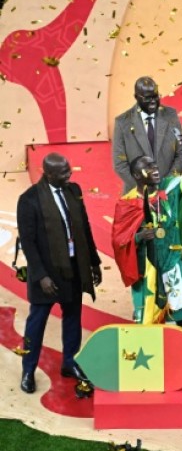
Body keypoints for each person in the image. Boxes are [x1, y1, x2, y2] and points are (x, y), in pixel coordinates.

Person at [17, 153, 102, 393]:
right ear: (49, 174)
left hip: (73, 268)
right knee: (37, 322)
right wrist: (41, 276)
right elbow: (28, 242)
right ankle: (28, 370)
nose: (70, 175)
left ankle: (70, 363)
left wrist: (93, 263)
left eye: (69, 170)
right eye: (63, 173)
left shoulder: (73, 191)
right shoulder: (30, 199)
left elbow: (84, 227)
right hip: (46, 275)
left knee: (73, 317)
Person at [112, 137, 182, 329]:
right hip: (146, 269)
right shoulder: (127, 203)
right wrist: (139, 237)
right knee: (147, 322)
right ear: (136, 175)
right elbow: (119, 241)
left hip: (172, 264)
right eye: (148, 167)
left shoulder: (170, 187)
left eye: (155, 165)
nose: (155, 170)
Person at [112, 76, 182, 193]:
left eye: (155, 96)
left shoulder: (170, 115)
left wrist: (167, 184)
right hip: (137, 195)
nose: (153, 101)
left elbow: (181, 153)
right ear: (136, 97)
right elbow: (120, 164)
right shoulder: (123, 122)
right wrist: (144, 189)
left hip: (168, 192)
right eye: (148, 98)